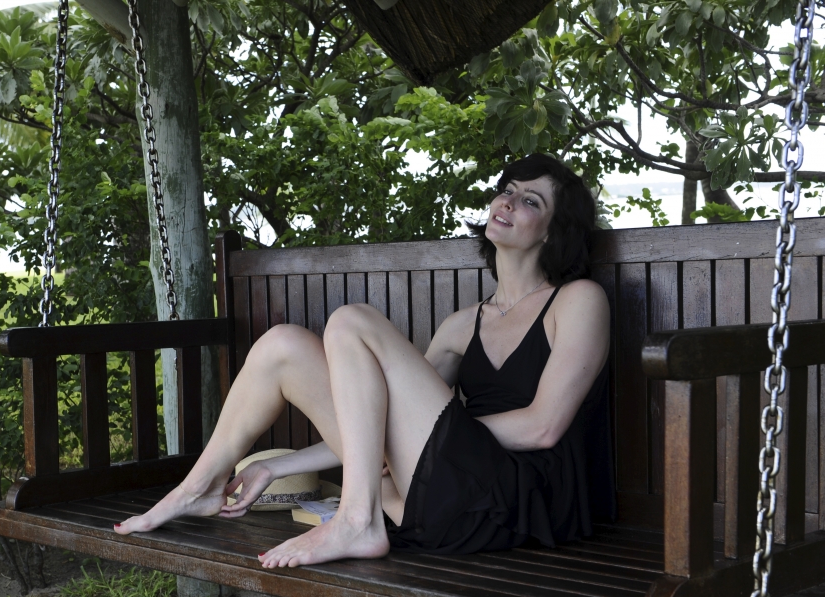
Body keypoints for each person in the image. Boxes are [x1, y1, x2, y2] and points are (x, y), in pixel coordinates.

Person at [114, 153, 611, 568]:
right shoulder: (463, 325)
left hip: (516, 505)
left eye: (531, 200)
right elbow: (373, 419)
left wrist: (437, 436)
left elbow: (544, 427)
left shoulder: (577, 300)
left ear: (553, 231)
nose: (508, 201)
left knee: (352, 320)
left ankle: (356, 520)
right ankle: (200, 486)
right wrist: (277, 466)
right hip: (439, 495)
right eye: (507, 190)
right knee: (282, 345)